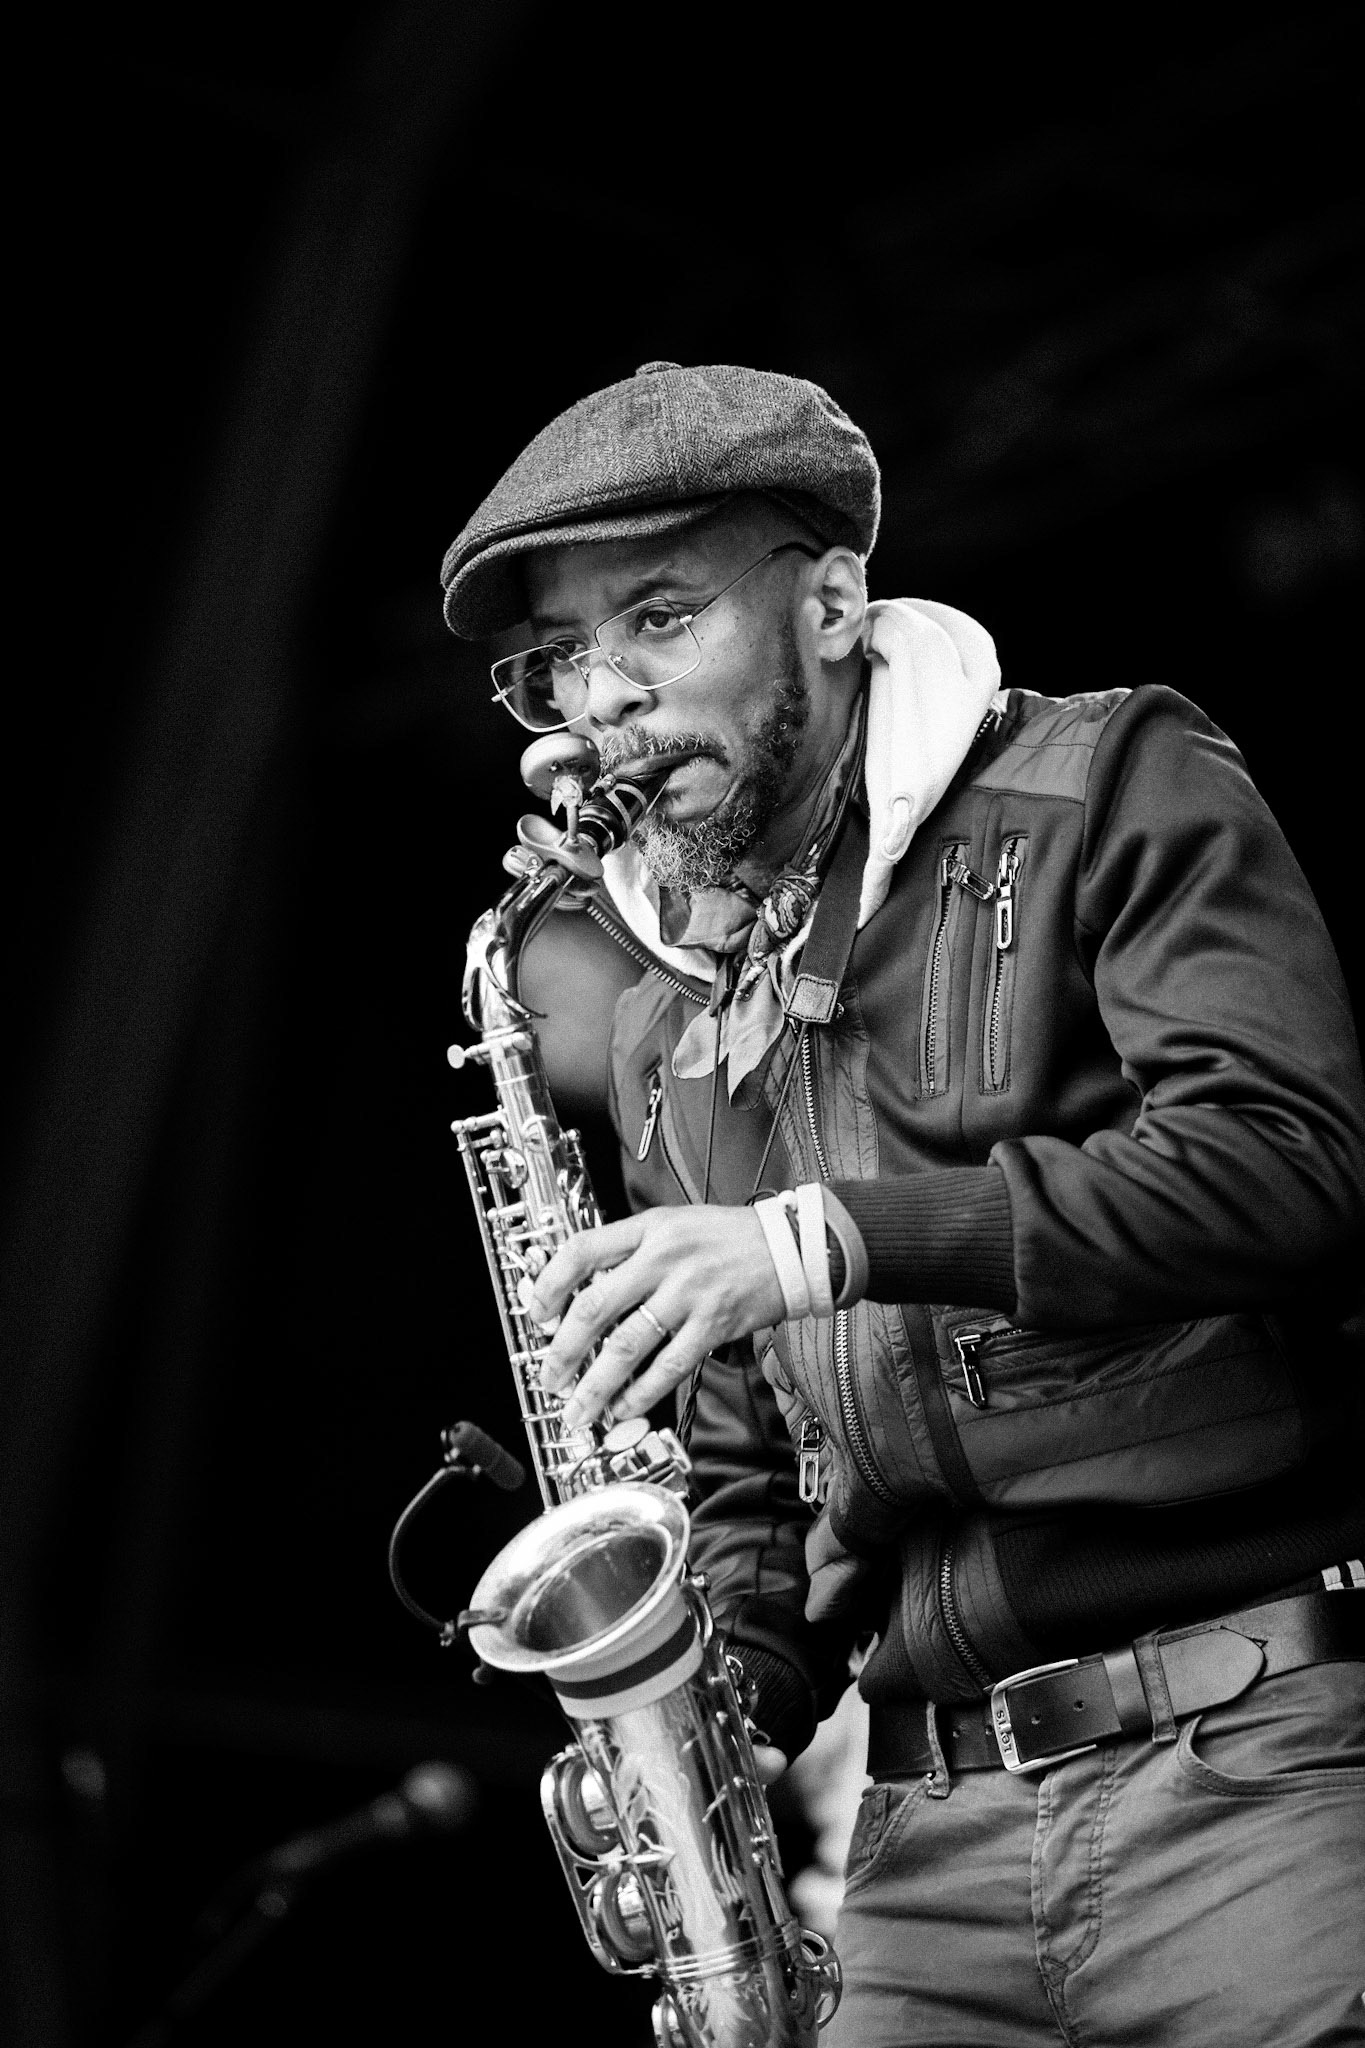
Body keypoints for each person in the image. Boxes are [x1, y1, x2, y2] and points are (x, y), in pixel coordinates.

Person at [440, 361, 1365, 2046]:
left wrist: (818, 1238)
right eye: (564, 659)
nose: (603, 702)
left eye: (653, 619)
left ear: (836, 602)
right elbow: (738, 1478)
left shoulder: (1114, 776)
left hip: (1245, 1761)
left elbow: (1282, 1166)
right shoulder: (660, 1023)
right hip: (921, 1837)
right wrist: (694, 1734)